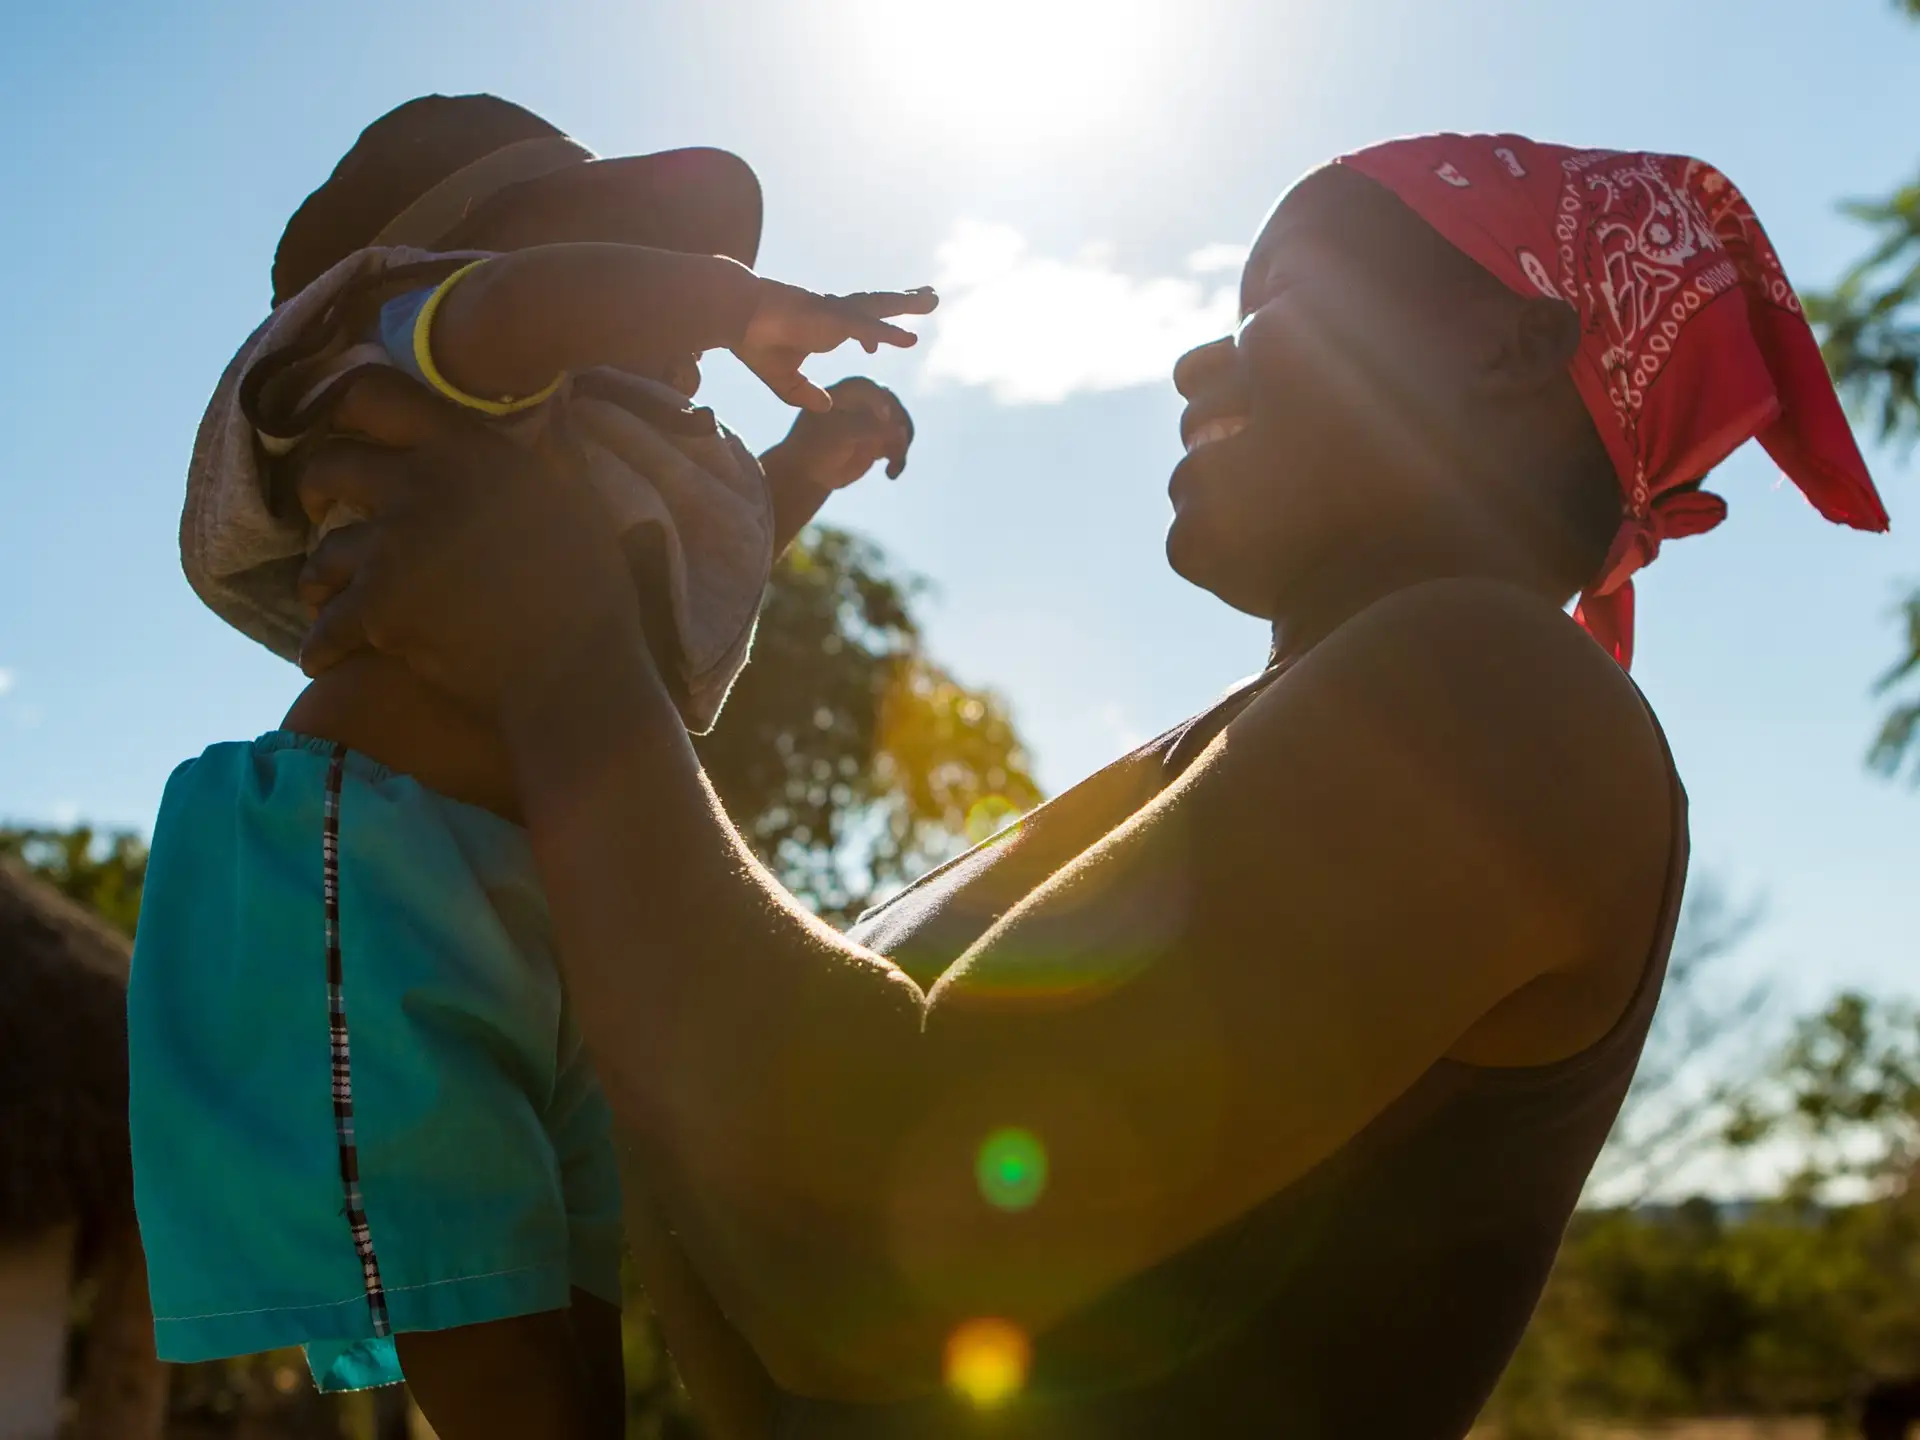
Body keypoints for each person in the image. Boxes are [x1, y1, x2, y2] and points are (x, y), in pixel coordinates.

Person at [290, 134, 1890, 1438]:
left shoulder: (1508, 697)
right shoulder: (1216, 764)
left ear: (1512, 345)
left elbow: (874, 1277)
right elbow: (756, 1310)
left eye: (1280, 297)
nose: (1199, 352)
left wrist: (571, 658)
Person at [127, 94, 933, 1440]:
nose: (664, 301)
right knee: (478, 1325)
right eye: (622, 256)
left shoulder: (609, 444)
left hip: (550, 902)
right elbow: (517, 310)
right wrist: (734, 300)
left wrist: (806, 466)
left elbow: (677, 588)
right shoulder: (433, 348)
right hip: (374, 865)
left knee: (565, 1291)